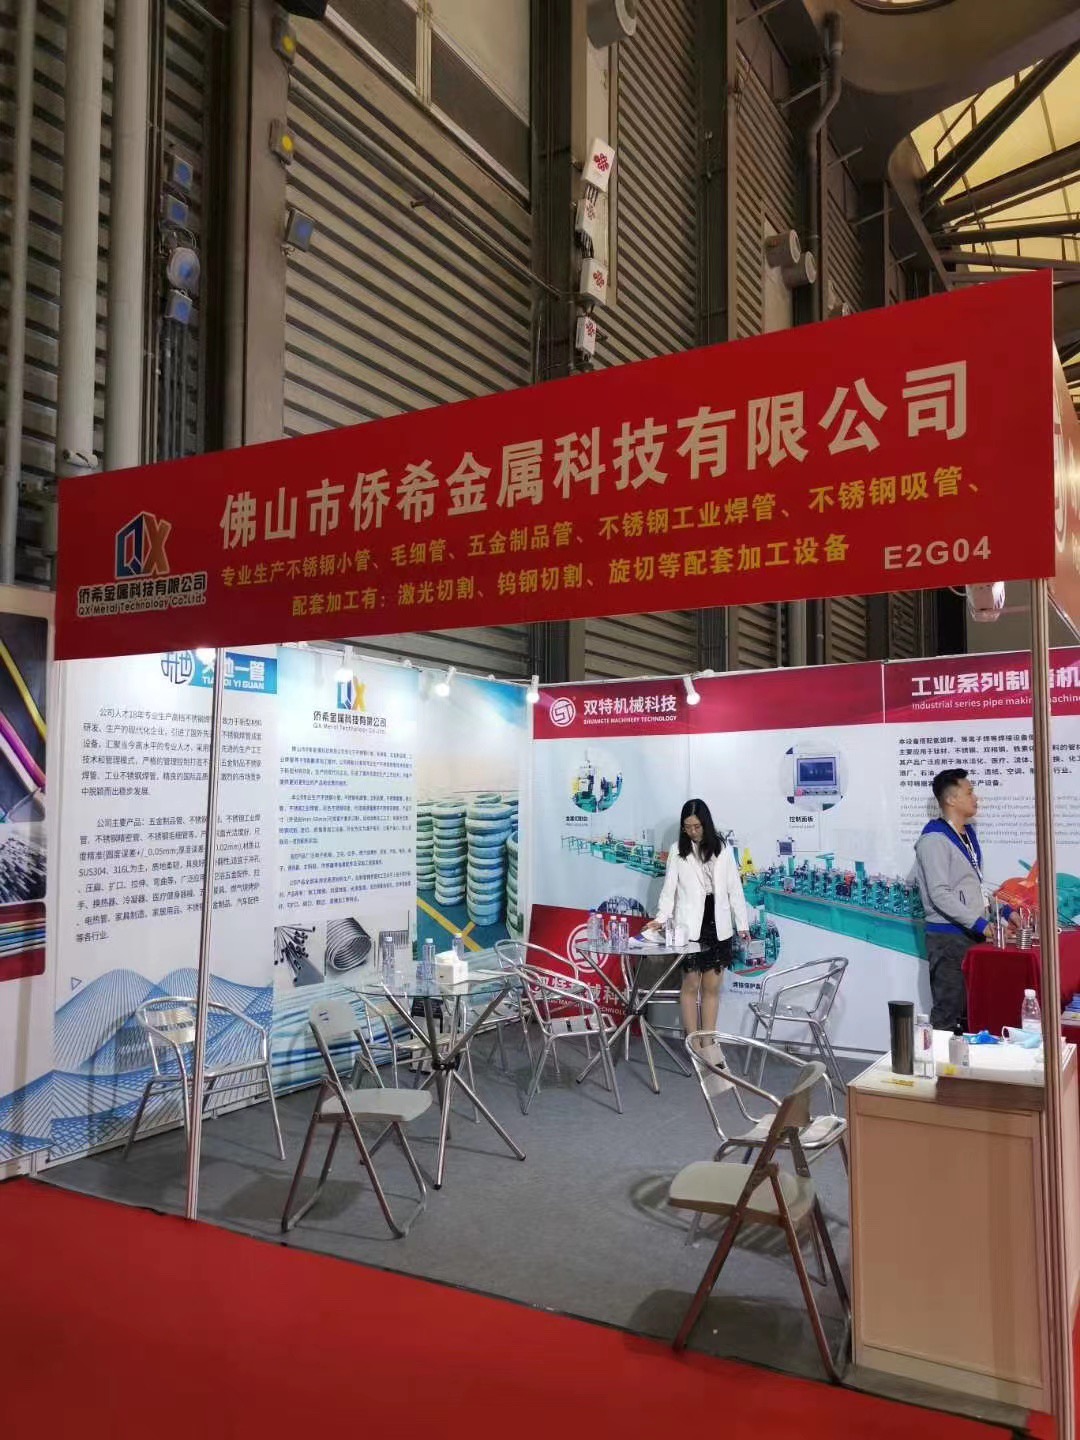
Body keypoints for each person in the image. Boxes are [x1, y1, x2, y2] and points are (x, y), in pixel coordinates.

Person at [911, 768, 1017, 1031]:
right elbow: (940, 894)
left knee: (973, 1013)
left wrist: (1004, 912)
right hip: (948, 939)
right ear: (951, 799)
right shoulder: (933, 840)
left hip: (970, 934)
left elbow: (971, 888)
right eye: (969, 792)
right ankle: (938, 1059)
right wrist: (982, 925)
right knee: (949, 1013)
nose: (976, 798)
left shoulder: (966, 835)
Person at [644, 798, 750, 1037]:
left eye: (697, 827)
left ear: (706, 824)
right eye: (687, 827)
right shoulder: (677, 850)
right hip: (689, 926)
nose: (692, 832)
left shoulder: (723, 848)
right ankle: (693, 1042)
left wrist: (742, 924)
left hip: (718, 923)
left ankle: (708, 1042)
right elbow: (669, 889)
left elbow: (735, 889)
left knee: (712, 988)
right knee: (691, 984)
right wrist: (661, 918)